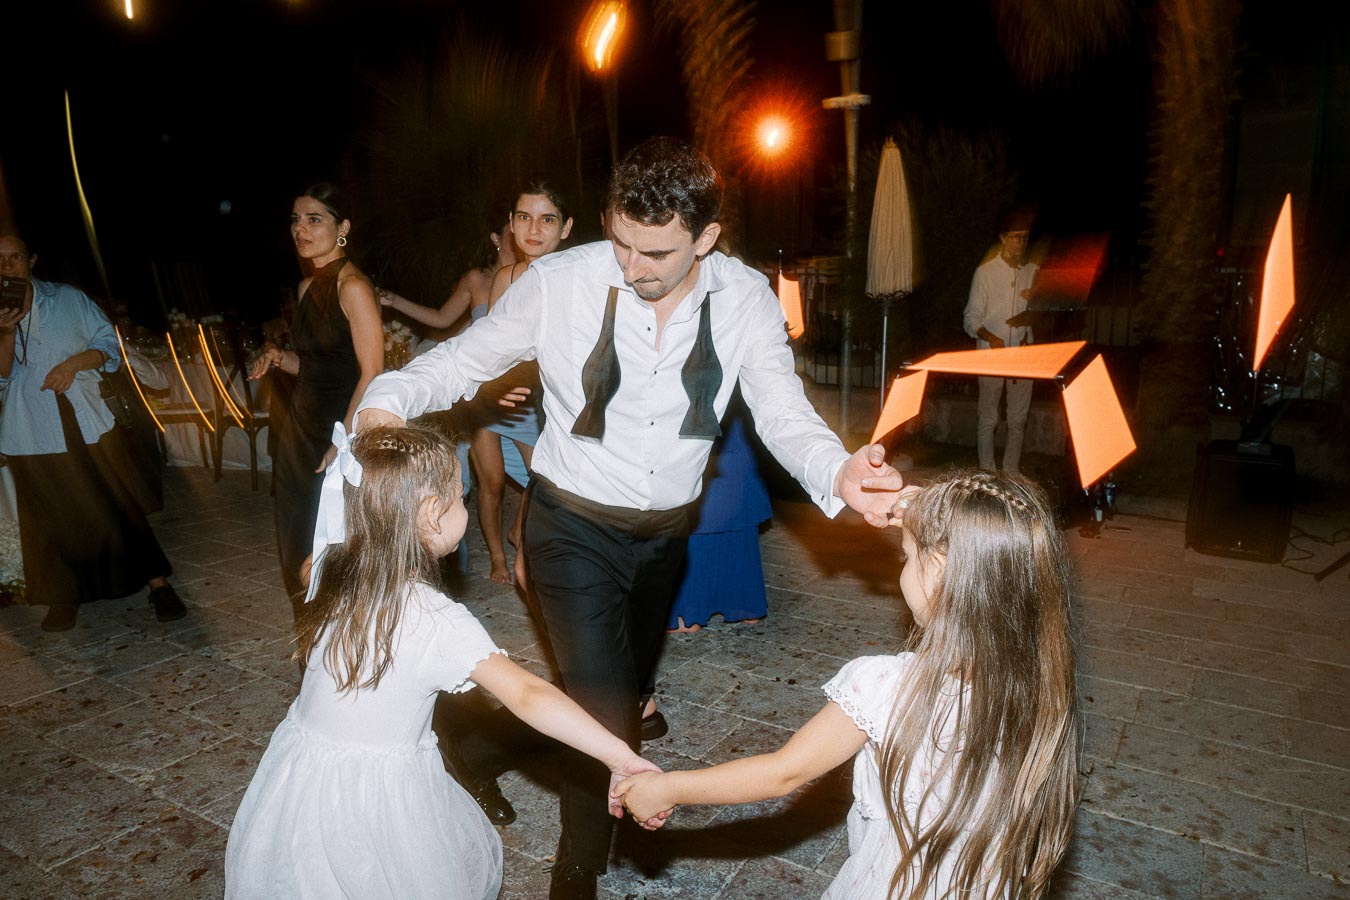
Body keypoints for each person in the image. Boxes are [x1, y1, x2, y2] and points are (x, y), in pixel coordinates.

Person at [355, 137, 904, 899]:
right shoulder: (560, 283)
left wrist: (838, 470)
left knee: (609, 693)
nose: (632, 265)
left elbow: (783, 414)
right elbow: (467, 357)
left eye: (655, 252)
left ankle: (476, 745)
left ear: (707, 238)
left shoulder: (745, 299)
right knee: (612, 719)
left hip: (665, 537)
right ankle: (576, 877)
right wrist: (391, 397)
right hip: (570, 525)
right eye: (619, 242)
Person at [224, 424, 658, 899]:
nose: (465, 509)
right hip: (379, 799)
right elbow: (528, 694)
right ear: (433, 513)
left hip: (303, 778)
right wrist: (620, 757)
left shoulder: (328, 568)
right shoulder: (434, 621)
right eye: (461, 499)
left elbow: (319, 553)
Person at [613, 471, 1080, 899]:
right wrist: (923, 512)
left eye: (908, 556)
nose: (903, 564)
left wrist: (667, 788)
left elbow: (783, 772)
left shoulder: (888, 688)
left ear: (938, 572)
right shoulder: (1042, 686)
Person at [0, 232, 186, 632]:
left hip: (84, 416)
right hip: (30, 427)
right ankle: (64, 597)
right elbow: (0, 379)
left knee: (116, 501)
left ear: (31, 260)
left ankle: (158, 585)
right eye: (0, 260)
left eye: (15, 257)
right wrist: (5, 332)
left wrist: (72, 365)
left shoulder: (67, 299)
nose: (7, 266)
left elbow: (108, 344)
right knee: (50, 514)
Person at [249, 183, 383, 614]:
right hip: (299, 429)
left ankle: (345, 656)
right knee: (295, 540)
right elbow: (314, 365)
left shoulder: (354, 286)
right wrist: (278, 356)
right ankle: (313, 651)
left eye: (314, 219)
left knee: (330, 546)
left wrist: (342, 441)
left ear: (342, 227)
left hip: (336, 431)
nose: (300, 229)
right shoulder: (308, 288)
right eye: (295, 220)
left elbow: (372, 372)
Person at [476, 181, 573, 585]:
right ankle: (499, 557)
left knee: (546, 481)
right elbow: (490, 346)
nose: (534, 229)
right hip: (498, 398)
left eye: (547, 219)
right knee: (492, 481)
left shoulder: (575, 278)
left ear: (565, 228)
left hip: (545, 403)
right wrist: (489, 388)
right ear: (512, 226)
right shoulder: (506, 276)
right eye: (524, 218)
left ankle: (521, 534)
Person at [962, 210, 1039, 475]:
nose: (1021, 243)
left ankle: (1011, 471)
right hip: (991, 354)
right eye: (1016, 237)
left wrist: (1037, 300)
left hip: (1022, 356)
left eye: (1025, 238)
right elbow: (970, 318)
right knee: (989, 418)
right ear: (1003, 238)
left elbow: (1044, 316)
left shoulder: (1033, 272)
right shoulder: (985, 273)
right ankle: (987, 471)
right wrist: (990, 337)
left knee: (1018, 419)